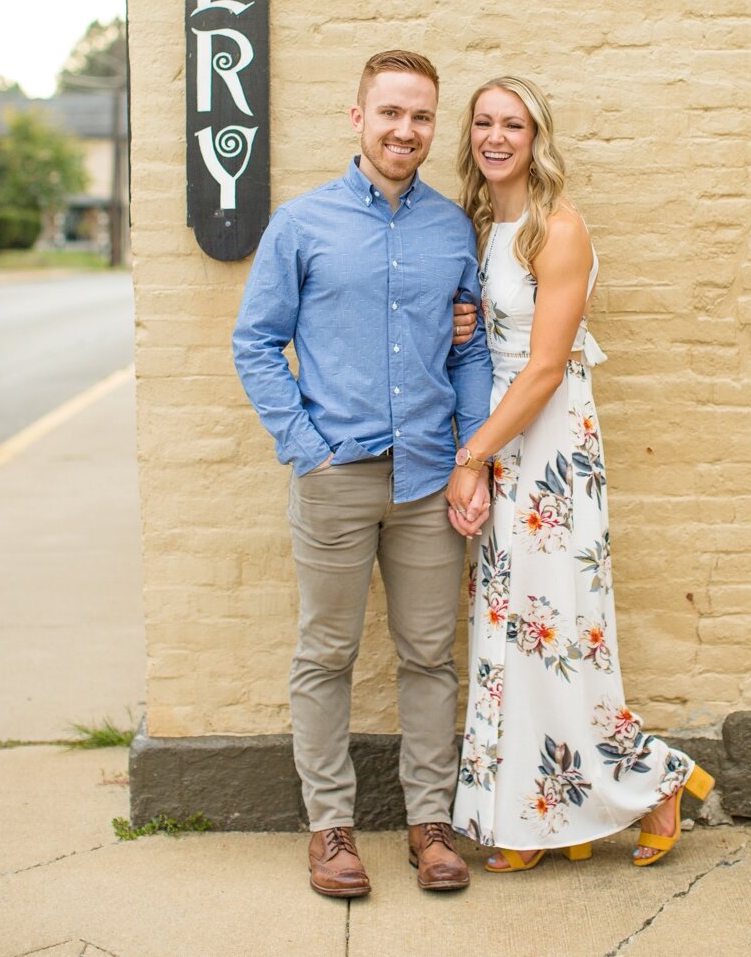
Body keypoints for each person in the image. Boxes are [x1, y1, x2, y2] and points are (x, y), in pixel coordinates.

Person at [231, 49, 491, 900]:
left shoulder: (453, 229)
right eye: (390, 113)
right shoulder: (301, 225)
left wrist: (470, 456)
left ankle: (429, 825)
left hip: (427, 479)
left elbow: (471, 349)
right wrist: (307, 446)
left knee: (430, 657)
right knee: (327, 654)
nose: (405, 131)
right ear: (358, 118)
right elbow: (256, 343)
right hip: (335, 476)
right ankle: (330, 829)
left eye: (420, 117)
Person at [445, 76, 714, 869]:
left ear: (537, 138)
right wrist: (465, 317)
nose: (496, 136)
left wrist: (472, 460)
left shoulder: (557, 229)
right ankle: (537, 817)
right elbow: (490, 331)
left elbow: (545, 369)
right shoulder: (478, 224)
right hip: (498, 433)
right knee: (510, 629)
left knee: (557, 626)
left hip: (546, 449)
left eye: (514, 125)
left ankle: (656, 780)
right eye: (484, 123)